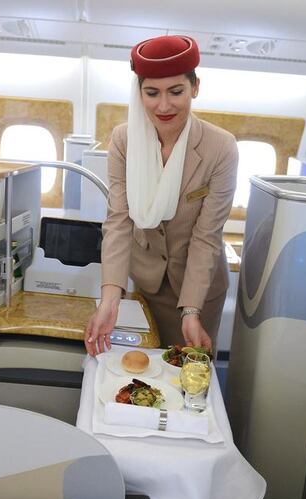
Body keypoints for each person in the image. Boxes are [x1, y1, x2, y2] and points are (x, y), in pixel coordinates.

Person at [84, 35, 238, 356]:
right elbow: (119, 221)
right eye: (152, 93)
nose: (164, 105)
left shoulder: (220, 148)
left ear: (195, 87)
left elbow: (206, 236)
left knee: (190, 375)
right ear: (138, 93)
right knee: (144, 370)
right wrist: (110, 298)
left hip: (199, 290)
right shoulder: (124, 141)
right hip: (148, 285)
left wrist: (192, 310)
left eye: (176, 91)